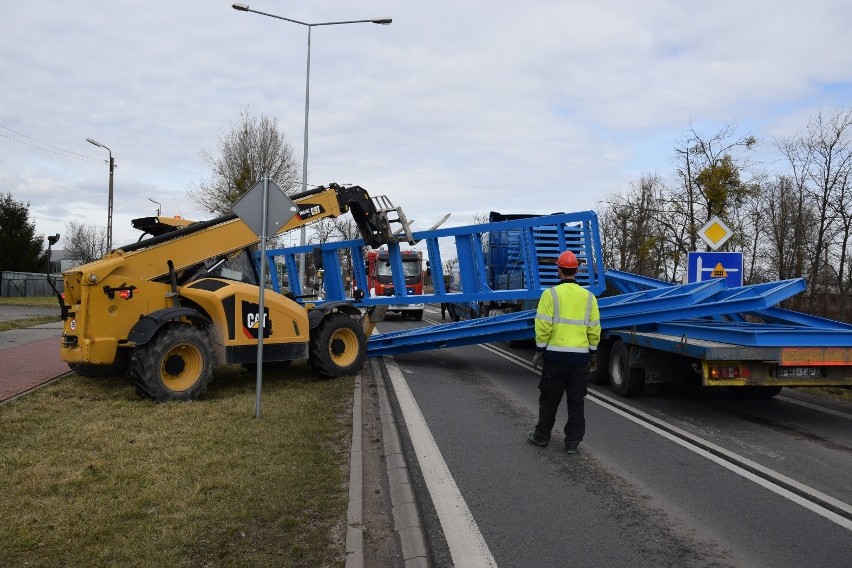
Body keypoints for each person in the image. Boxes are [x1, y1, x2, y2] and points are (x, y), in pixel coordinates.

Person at [527, 250, 601, 454]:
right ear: (576, 270)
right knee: (576, 402)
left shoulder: (550, 295)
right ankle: (572, 444)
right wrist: (592, 352)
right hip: (580, 360)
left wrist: (539, 350)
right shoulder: (589, 297)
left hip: (555, 359)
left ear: (558, 270)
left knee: (549, 400)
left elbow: (543, 327)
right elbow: (594, 328)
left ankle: (541, 437)